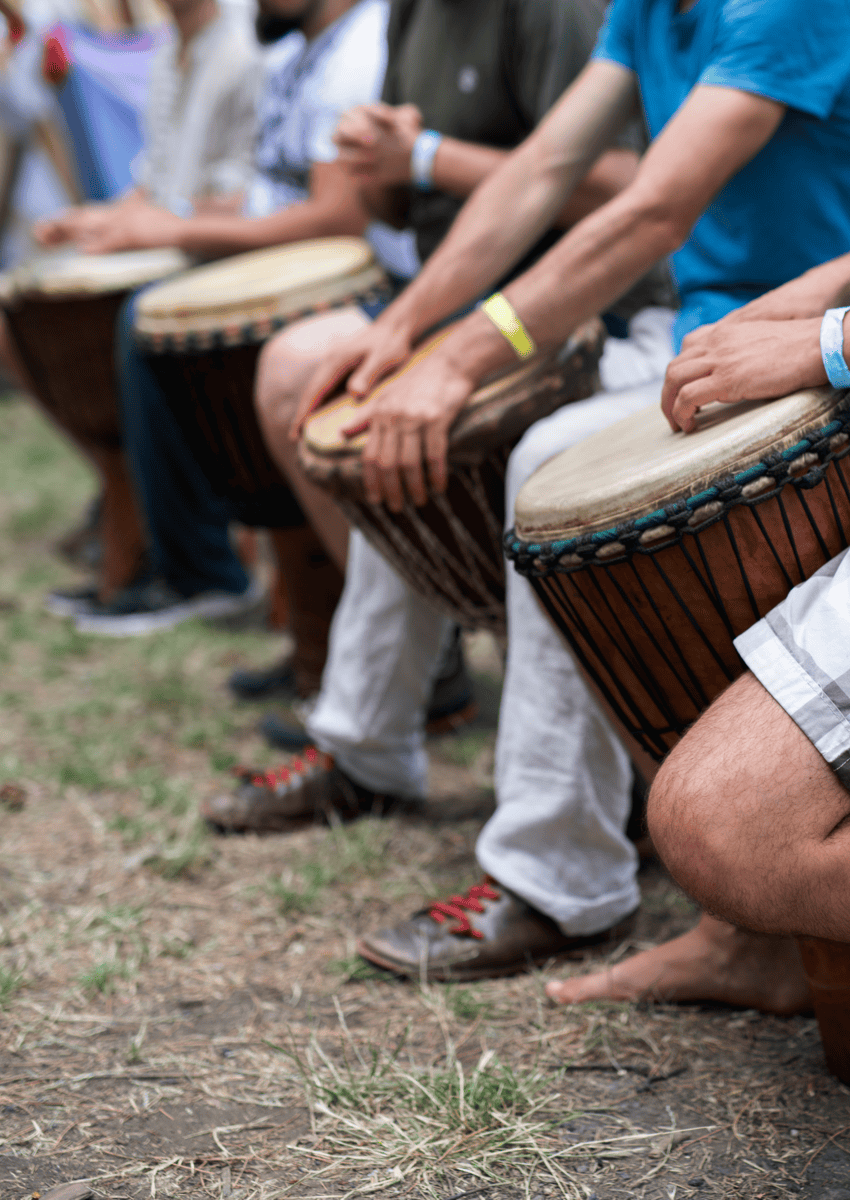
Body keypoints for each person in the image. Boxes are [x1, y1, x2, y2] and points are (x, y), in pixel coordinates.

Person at [224, 0, 850, 986]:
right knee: (397, 404)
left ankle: (558, 881)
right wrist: (410, 335)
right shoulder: (647, 9)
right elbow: (538, 169)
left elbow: (654, 208)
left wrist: (460, 357)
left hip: (819, 361)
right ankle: (366, 744)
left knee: (545, 459)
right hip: (706, 345)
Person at [554, 0, 850, 1018]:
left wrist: (833, 340)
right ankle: (746, 947)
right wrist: (813, 298)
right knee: (659, 537)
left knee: (724, 825)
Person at [199, 0, 674, 828]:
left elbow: (615, 190)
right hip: (462, 303)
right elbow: (413, 205)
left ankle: (521, 776)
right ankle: (365, 746)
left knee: (417, 418)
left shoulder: (560, 12)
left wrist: (426, 156)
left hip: (588, 318)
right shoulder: (409, 10)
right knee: (364, 405)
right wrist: (389, 185)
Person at [41, 0, 407, 645]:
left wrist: (178, 227)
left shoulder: (350, 55)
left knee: (146, 318)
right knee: (127, 314)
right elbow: (259, 191)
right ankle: (248, 600)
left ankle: (207, 571)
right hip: (300, 271)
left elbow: (338, 216)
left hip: (362, 288)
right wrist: (128, 220)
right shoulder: (296, 50)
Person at [0, 0, 265, 619]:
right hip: (174, 256)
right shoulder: (171, 51)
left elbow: (241, 205)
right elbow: (155, 186)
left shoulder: (242, 51)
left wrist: (151, 229)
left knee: (129, 321)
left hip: (220, 266)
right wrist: (99, 219)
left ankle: (194, 563)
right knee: (8, 326)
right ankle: (134, 503)